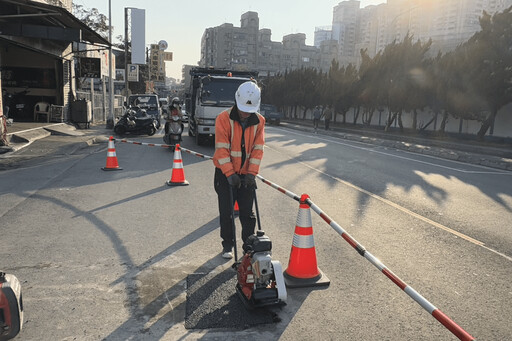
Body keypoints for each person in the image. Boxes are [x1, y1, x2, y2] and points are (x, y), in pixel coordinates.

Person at [212, 81, 265, 259]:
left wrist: (252, 173)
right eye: (243, 109)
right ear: (237, 101)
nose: (245, 114)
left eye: (249, 111)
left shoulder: (259, 121)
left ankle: (248, 247)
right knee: (226, 212)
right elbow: (221, 149)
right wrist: (229, 174)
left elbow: (258, 149)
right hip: (225, 174)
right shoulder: (223, 118)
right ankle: (227, 245)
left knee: (247, 214)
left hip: (246, 174)